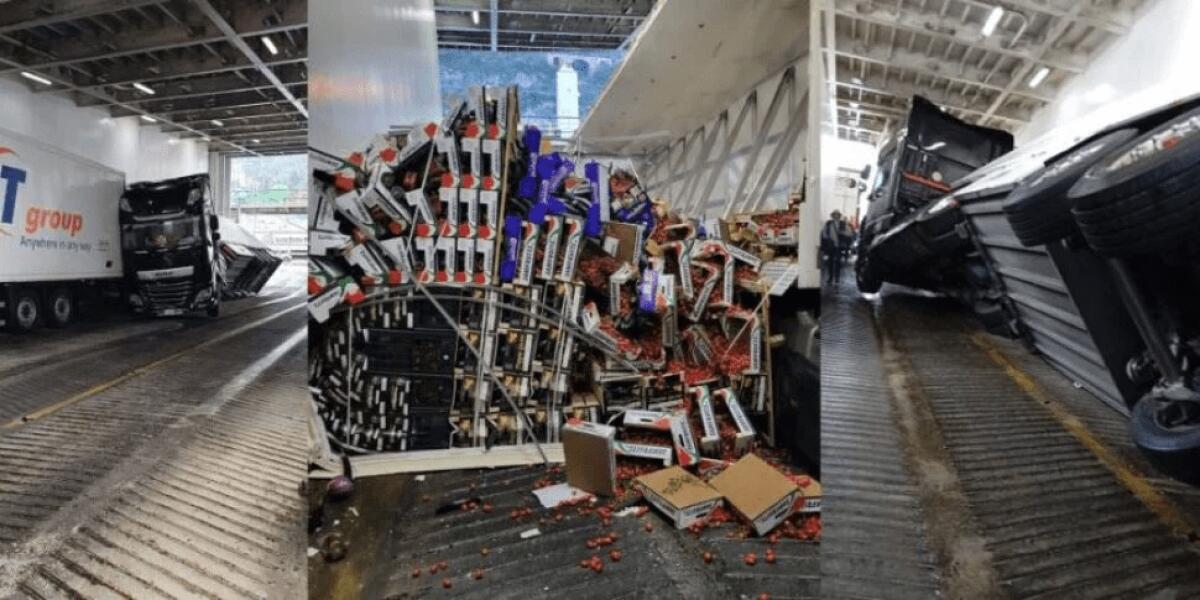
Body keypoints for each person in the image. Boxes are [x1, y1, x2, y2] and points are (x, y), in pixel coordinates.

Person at [821, 210, 852, 285]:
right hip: (831, 246)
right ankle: (830, 278)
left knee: (838, 263)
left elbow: (849, 233)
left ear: (839, 215)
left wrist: (842, 233)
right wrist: (828, 239)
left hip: (839, 246)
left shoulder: (843, 223)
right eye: (834, 214)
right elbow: (824, 233)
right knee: (830, 262)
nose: (836, 216)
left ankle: (837, 278)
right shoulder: (828, 223)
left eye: (837, 214)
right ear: (832, 215)